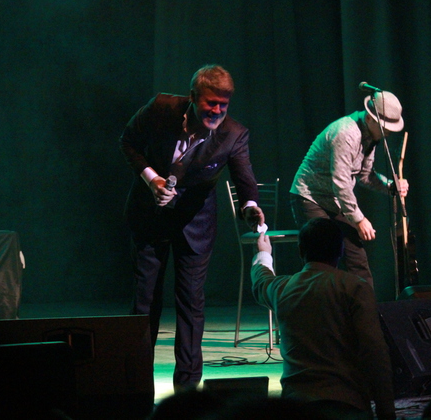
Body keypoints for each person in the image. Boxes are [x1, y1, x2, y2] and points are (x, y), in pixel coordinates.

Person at [119, 64, 265, 391]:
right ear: (193, 97)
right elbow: (128, 142)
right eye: (211, 103)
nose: (217, 111)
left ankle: (187, 393)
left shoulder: (234, 134)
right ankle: (135, 387)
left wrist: (250, 207)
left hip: (195, 223)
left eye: (223, 105)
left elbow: (245, 179)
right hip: (150, 216)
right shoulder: (161, 108)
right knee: (145, 302)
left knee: (191, 303)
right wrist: (152, 179)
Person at [250, 217, 397, 420]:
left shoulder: (283, 288)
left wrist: (264, 253)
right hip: (347, 404)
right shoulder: (355, 287)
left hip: (297, 407)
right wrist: (386, 410)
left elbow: (261, 280)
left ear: (300, 251)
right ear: (341, 250)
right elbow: (374, 351)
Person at [290, 91, 409, 289]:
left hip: (335, 201)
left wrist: (390, 186)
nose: (388, 133)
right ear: (370, 118)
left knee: (356, 256)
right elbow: (341, 182)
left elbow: (365, 175)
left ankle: (365, 305)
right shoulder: (346, 134)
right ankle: (322, 306)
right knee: (322, 258)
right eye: (385, 128)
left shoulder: (370, 135)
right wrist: (359, 219)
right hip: (310, 197)